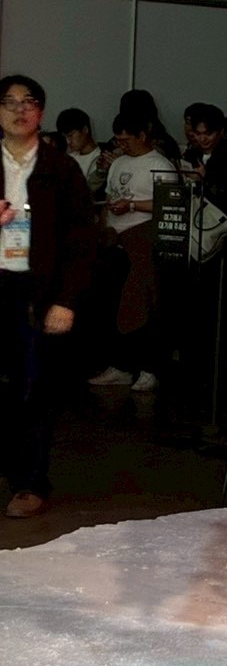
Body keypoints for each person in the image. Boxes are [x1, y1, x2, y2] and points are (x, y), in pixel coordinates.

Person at [0, 74, 97, 518]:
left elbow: (82, 242)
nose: (19, 110)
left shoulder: (61, 168)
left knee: (35, 388)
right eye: (9, 102)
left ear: (40, 111)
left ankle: (29, 482)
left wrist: (67, 301)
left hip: (39, 291)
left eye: (29, 102)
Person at [89, 113, 177, 395]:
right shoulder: (119, 163)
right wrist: (104, 227)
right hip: (115, 242)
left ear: (142, 135)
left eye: (127, 140)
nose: (122, 145)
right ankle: (120, 365)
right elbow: (110, 196)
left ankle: (149, 368)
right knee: (112, 304)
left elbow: (168, 203)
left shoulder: (159, 165)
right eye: (119, 141)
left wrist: (132, 206)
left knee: (144, 303)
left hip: (144, 242)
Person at [182, 103, 227, 225]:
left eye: (208, 134)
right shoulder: (191, 154)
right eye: (198, 134)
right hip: (195, 219)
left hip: (225, 223)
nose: (203, 139)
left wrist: (205, 178)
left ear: (221, 132)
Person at [57, 108, 111, 200]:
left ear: (85, 130)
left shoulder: (104, 157)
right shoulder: (67, 159)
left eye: (71, 135)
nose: (68, 141)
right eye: (65, 137)